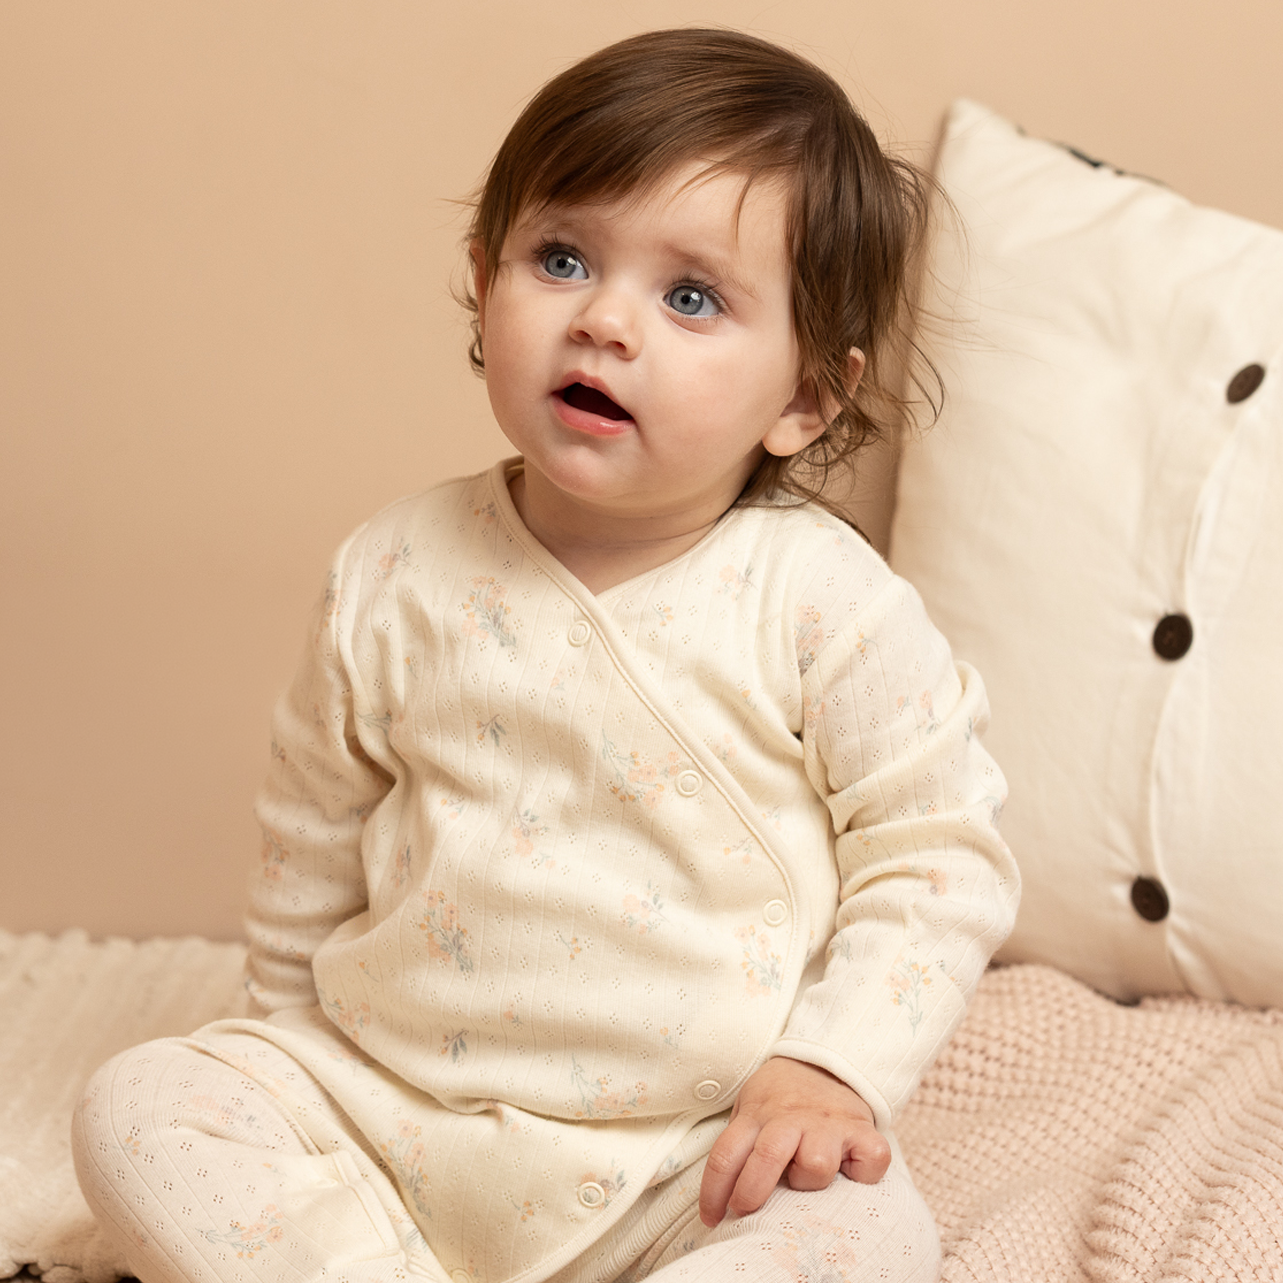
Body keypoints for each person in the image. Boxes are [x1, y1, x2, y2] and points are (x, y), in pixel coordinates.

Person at [73, 28, 1018, 1283]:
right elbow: (311, 837)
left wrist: (827, 1065)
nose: (603, 321)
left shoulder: (820, 600)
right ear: (484, 280)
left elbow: (936, 851)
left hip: (686, 1145)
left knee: (866, 1231)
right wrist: (291, 1066)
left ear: (804, 396)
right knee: (137, 1107)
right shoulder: (392, 570)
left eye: (691, 297)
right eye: (562, 259)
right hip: (389, 1106)